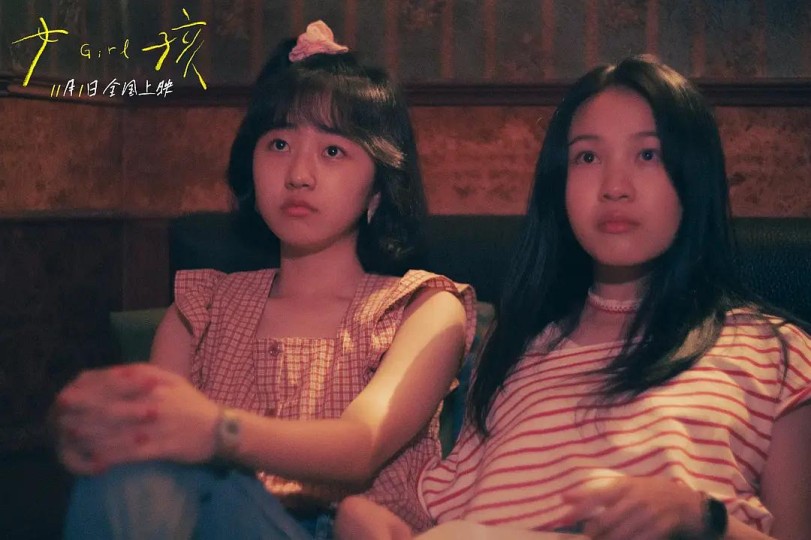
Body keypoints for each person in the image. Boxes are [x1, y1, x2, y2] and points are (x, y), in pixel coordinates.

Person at [334, 55, 811, 540]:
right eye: (587, 157)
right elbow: (456, 509)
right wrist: (367, 519)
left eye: (648, 155)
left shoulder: (774, 352)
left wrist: (703, 519)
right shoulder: (512, 349)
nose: (615, 187)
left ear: (694, 174)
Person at [53, 21, 476, 539]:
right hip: (205, 517)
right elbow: (153, 436)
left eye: (333, 151)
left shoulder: (420, 307)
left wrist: (217, 431)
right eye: (278, 144)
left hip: (349, 529)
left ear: (378, 188)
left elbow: (361, 446)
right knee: (135, 475)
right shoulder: (202, 306)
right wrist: (91, 426)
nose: (298, 174)